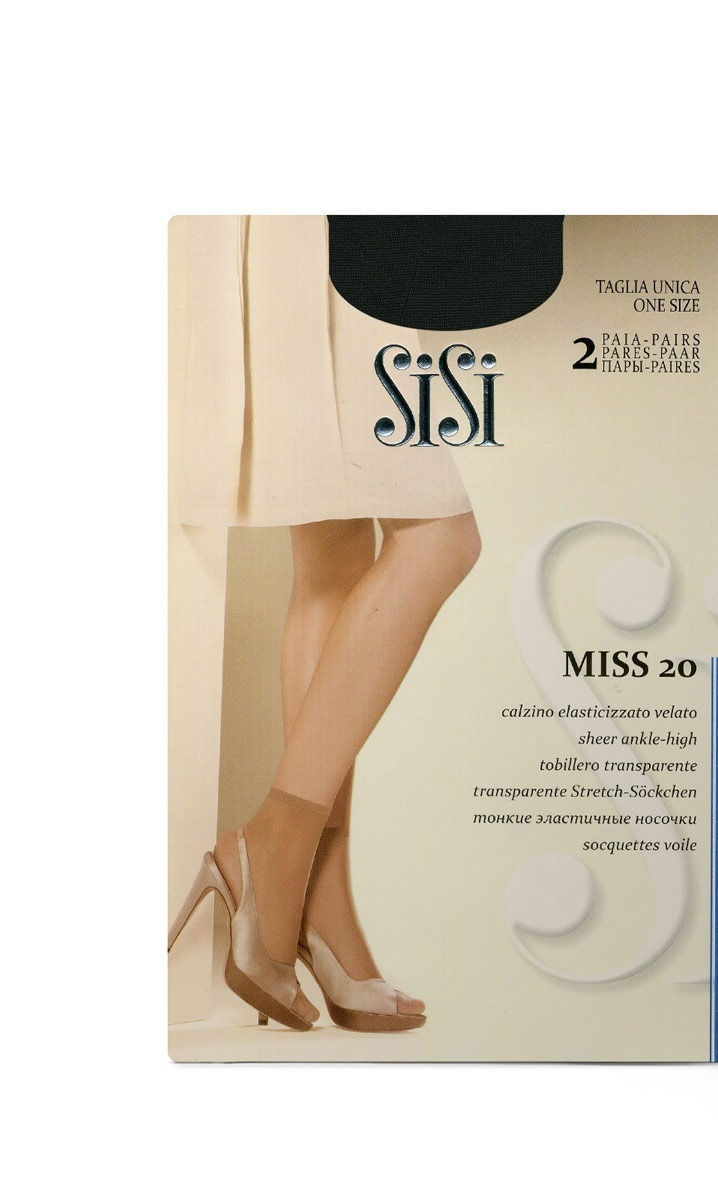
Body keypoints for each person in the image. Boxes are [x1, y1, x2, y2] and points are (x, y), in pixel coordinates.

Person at [168, 216, 479, 1031]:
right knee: (442, 537)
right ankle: (273, 845)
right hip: (306, 228)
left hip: (332, 231)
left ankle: (315, 899)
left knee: (333, 553)